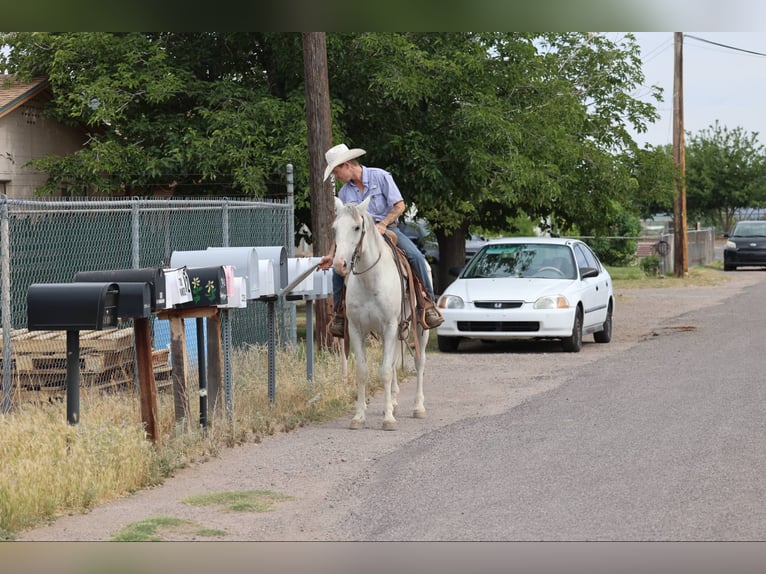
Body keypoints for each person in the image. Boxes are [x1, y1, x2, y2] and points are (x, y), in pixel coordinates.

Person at [318, 143, 443, 338]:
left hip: (387, 230)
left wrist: (383, 223)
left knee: (415, 256)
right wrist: (332, 254)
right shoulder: (344, 194)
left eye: (336, 171)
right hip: (359, 237)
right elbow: (344, 230)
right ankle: (340, 314)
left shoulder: (381, 177)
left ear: (347, 165)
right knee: (337, 270)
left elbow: (399, 206)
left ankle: (427, 303)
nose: (336, 176)